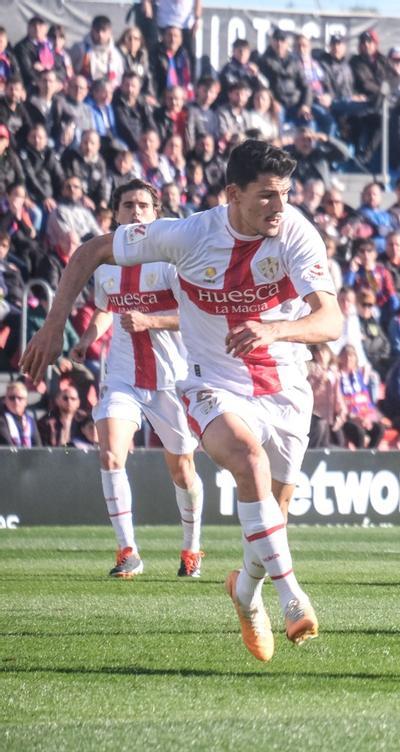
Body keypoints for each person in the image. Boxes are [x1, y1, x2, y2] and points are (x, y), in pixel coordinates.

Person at [21, 139, 342, 661]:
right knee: (248, 461)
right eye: (267, 196)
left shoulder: (296, 232)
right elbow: (90, 250)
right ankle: (292, 597)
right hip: (211, 381)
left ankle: (245, 593)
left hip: (285, 386)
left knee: (272, 518)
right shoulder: (190, 234)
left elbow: (332, 320)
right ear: (233, 194)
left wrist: (275, 328)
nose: (279, 207)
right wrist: (55, 324)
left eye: (284, 194)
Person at [66, 179, 205, 579]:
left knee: (182, 469)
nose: (136, 212)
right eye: (128, 205)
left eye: (143, 205)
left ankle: (191, 549)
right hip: (124, 377)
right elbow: (106, 309)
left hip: (171, 380)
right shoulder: (107, 262)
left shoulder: (171, 260)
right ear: (115, 213)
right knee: (110, 452)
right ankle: (128, 552)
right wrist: (87, 339)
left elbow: (195, 316)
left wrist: (150, 321)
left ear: (156, 212)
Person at [0, 381, 41, 447]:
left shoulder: (30, 420)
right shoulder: (1, 420)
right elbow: (8, 445)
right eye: (12, 398)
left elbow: (38, 446)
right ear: (5, 400)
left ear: (26, 402)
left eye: (20, 398)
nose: (16, 402)